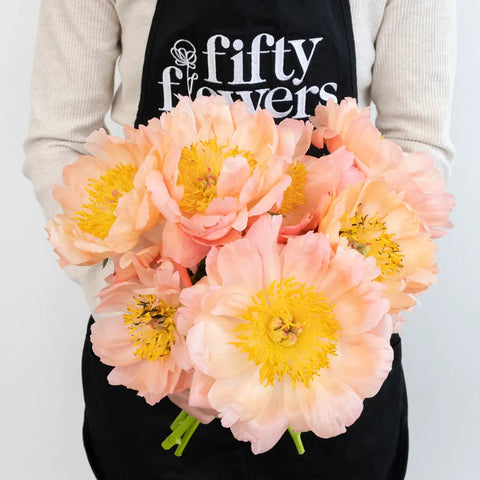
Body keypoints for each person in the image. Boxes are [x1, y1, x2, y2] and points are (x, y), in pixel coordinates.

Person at [23, 1, 456, 479]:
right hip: (161, 361)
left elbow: (416, 142)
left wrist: (361, 312)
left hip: (330, 361)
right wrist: (144, 306)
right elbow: (60, 141)